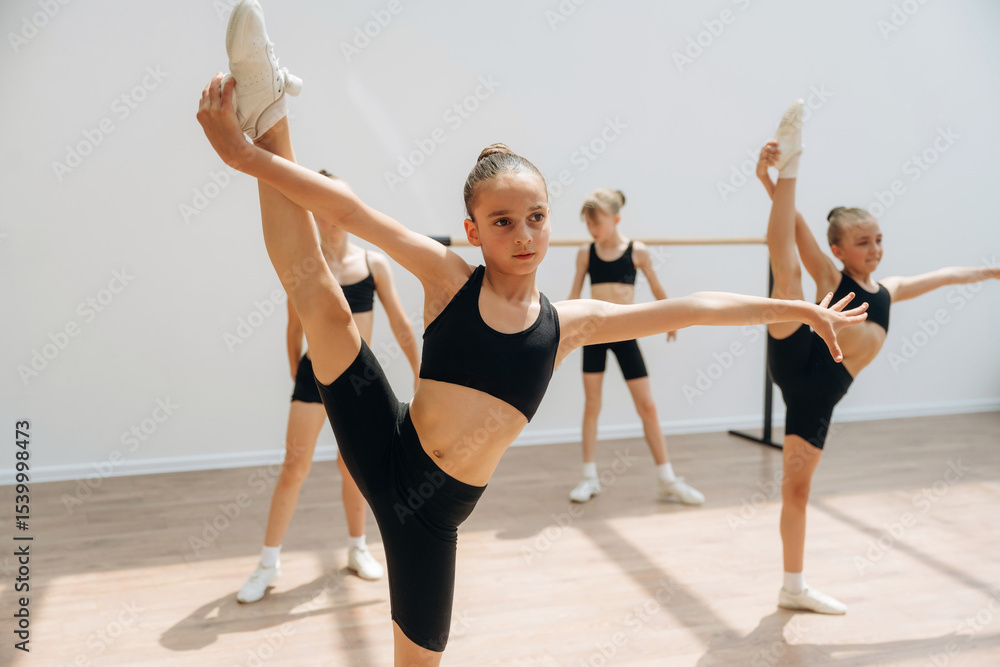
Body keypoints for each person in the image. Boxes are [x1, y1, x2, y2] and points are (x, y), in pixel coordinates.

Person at [197, 4, 867, 661]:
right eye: (503, 221)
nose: (523, 234)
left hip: (430, 520)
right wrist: (243, 158)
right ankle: (267, 107)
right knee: (319, 297)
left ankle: (264, 118)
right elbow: (348, 208)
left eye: (536, 217)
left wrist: (806, 311)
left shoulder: (567, 323)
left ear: (550, 222)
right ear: (473, 231)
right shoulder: (449, 280)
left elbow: (693, 307)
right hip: (387, 440)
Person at [757, 99, 999, 616]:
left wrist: (988, 273)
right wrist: (772, 179)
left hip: (818, 395)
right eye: (863, 242)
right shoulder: (831, 276)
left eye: (878, 240)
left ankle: (792, 588)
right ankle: (795, 162)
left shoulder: (889, 289)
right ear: (840, 250)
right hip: (797, 355)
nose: (874, 249)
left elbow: (947, 276)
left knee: (795, 492)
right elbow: (793, 232)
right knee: (787, 277)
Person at [237, 170, 420, 603]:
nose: (331, 219)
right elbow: (291, 329)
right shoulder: (305, 267)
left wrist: (419, 371)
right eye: (321, 211)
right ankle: (267, 564)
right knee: (293, 467)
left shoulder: (374, 265)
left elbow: (401, 324)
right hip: (313, 376)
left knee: (353, 470)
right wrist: (297, 374)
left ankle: (358, 549)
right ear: (313, 214)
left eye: (337, 209)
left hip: (360, 381)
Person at [566, 189, 703, 505]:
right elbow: (574, 296)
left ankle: (667, 478)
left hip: (626, 333)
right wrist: (565, 333)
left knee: (648, 406)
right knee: (592, 404)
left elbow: (657, 288)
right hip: (594, 336)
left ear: (616, 219)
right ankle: (589, 477)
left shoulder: (637, 251)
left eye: (597, 223)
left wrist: (672, 318)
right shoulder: (586, 253)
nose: (592, 230)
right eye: (588, 224)